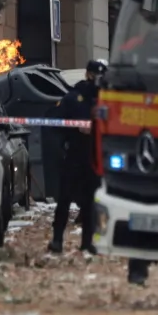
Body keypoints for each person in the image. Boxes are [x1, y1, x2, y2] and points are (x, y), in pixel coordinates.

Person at [48, 59, 106, 254]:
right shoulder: (74, 96)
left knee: (91, 201)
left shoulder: (106, 100)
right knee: (64, 199)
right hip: (74, 153)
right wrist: (74, 128)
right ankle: (57, 240)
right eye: (94, 74)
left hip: (95, 158)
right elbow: (55, 121)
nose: (97, 79)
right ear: (88, 74)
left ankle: (87, 242)